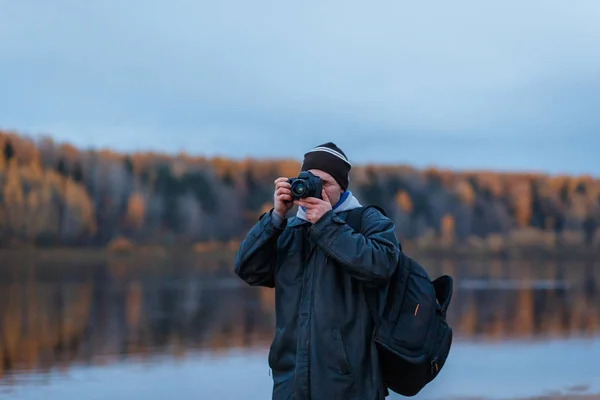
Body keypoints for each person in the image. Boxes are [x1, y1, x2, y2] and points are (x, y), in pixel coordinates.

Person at [234, 142, 400, 400]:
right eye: (309, 181)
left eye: (325, 183)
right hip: (291, 382)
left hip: (350, 386)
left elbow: (382, 265)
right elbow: (247, 269)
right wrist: (276, 217)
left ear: (343, 187)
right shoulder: (289, 230)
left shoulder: (365, 221)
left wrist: (327, 224)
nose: (316, 189)